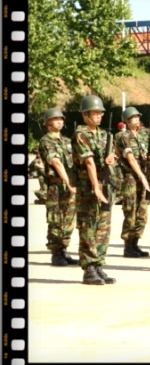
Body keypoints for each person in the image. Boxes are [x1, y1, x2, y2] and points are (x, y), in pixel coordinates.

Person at [71, 95, 118, 285]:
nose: (99, 116)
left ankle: (99, 265)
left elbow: (112, 156)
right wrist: (96, 187)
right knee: (88, 227)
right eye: (95, 113)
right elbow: (89, 162)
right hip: (88, 188)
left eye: (100, 113)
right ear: (85, 115)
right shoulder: (80, 134)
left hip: (106, 185)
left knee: (103, 227)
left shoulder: (104, 135)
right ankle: (89, 268)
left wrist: (112, 158)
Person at [38, 107, 79, 267]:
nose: (60, 121)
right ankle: (56, 254)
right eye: (56, 119)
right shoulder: (46, 141)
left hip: (70, 187)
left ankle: (64, 251)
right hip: (56, 186)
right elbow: (56, 162)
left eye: (61, 119)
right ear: (47, 123)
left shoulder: (67, 141)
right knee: (56, 220)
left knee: (69, 219)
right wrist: (68, 182)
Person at [115, 106, 150, 258]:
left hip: (143, 176)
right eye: (134, 117)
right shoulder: (123, 136)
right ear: (127, 120)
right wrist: (141, 176)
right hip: (131, 177)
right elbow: (130, 158)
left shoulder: (141, 136)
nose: (137, 120)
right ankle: (128, 245)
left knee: (142, 212)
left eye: (138, 117)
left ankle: (135, 242)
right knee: (130, 211)